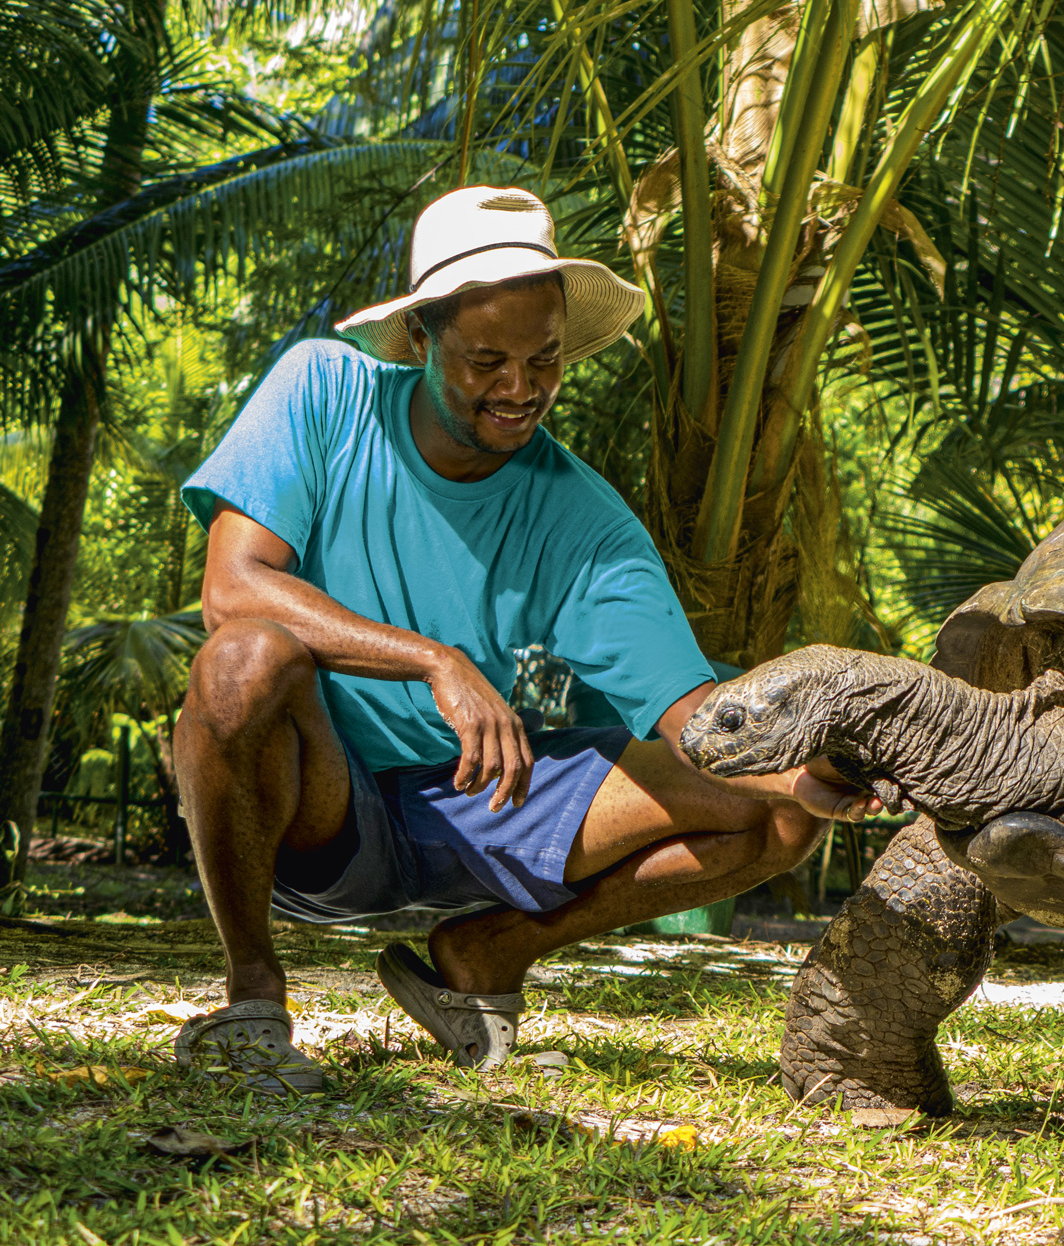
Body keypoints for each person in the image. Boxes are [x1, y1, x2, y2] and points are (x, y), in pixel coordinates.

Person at [170, 185, 871, 1094]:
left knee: (779, 811)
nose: (521, 388)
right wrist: (435, 660)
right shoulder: (321, 391)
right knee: (243, 658)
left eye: (544, 358)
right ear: (421, 338)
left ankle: (489, 951)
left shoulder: (583, 517)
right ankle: (253, 1000)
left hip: (480, 805)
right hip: (315, 804)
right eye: (486, 359)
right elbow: (232, 588)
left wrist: (805, 767)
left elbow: (690, 712)